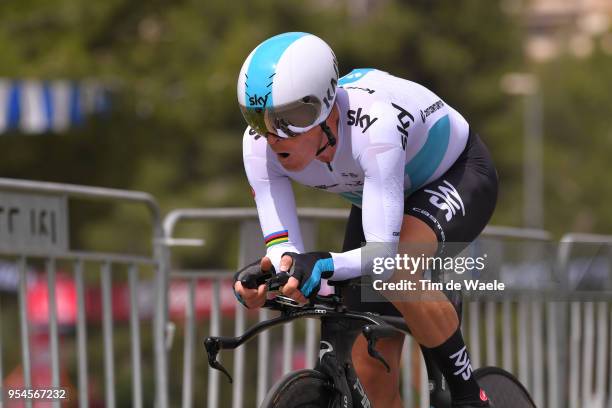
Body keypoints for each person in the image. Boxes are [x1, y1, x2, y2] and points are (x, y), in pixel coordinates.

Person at [233, 32, 497, 408]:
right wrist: (270, 279)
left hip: (455, 173)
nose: (274, 135)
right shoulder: (257, 145)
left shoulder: (373, 129)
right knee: (371, 369)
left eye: (290, 118)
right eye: (257, 117)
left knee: (395, 272)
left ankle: (473, 396)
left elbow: (381, 257)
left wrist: (323, 263)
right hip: (379, 191)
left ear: (323, 106)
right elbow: (283, 248)